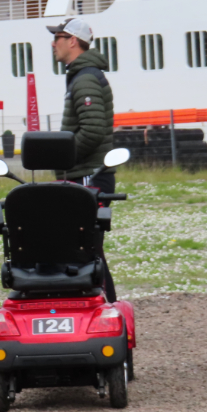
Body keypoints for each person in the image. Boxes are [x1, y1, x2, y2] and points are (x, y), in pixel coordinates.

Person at [48, 17, 117, 302]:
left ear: (72, 41)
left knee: (86, 248)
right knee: (87, 248)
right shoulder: (82, 75)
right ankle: (104, 309)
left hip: (89, 175)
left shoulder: (86, 77)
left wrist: (60, 157)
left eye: (58, 37)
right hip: (88, 173)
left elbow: (92, 129)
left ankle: (105, 311)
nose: (53, 44)